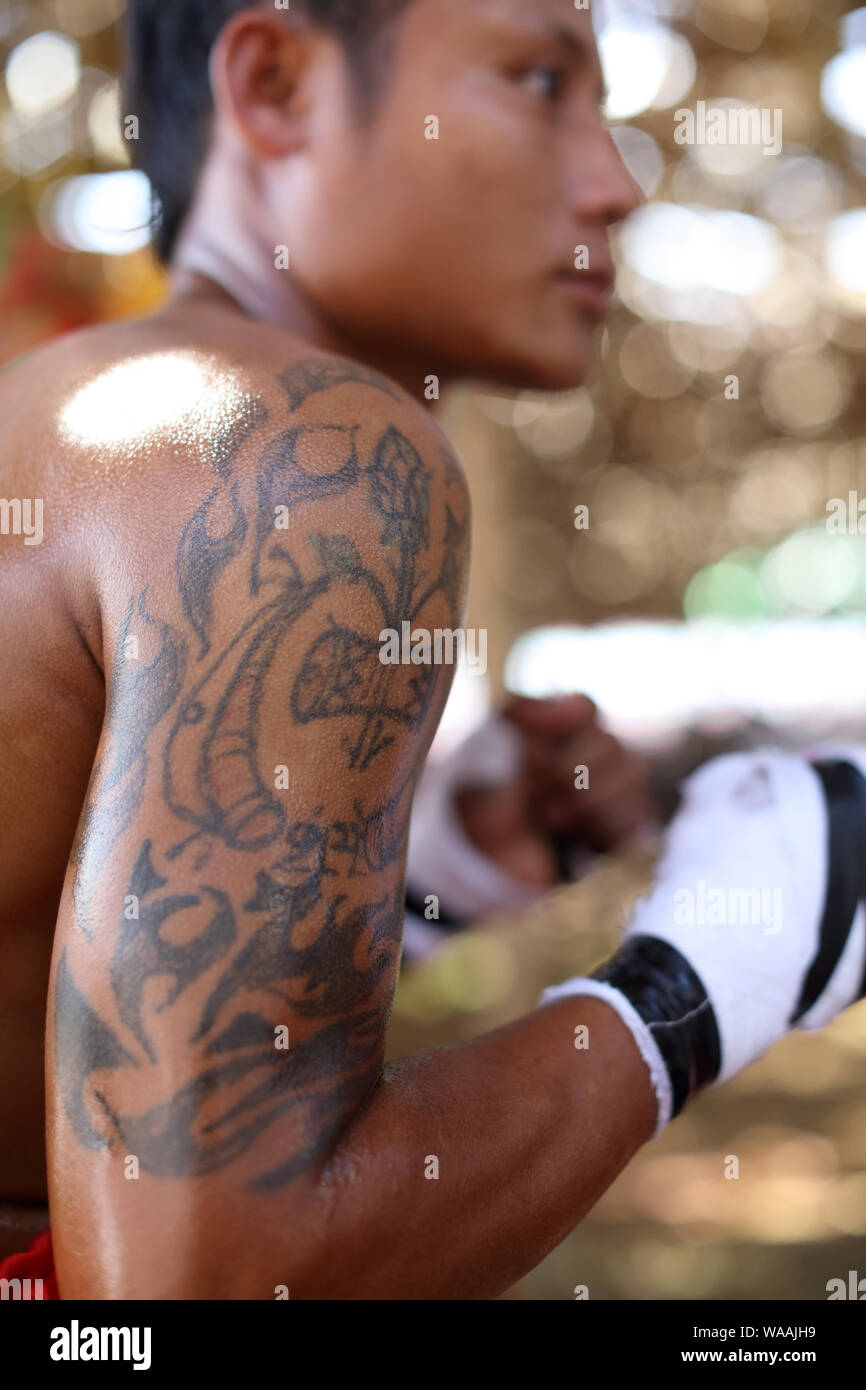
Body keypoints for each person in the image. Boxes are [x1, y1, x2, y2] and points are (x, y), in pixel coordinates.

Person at [0, 0, 863, 1301]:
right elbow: (200, 1290)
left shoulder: (72, 412)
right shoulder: (296, 447)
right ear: (277, 83)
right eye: (536, 79)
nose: (614, 182)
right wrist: (734, 952)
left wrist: (422, 890)